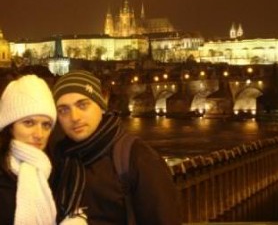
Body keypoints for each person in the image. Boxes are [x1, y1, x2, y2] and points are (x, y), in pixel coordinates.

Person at [51, 70, 182, 225]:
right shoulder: (58, 160)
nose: (74, 117)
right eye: (64, 110)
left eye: (83, 105)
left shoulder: (137, 158)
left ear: (101, 104)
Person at [0, 74, 57, 225]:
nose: (39, 134)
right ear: (10, 126)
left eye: (46, 125)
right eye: (29, 123)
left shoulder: (58, 167)